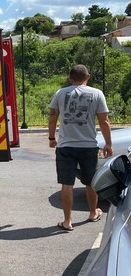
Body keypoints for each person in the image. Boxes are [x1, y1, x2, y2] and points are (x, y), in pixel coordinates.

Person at [48, 64, 112, 231]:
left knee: (67, 184)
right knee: (91, 182)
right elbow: (104, 121)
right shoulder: (97, 93)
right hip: (88, 146)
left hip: (66, 146)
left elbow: (53, 116)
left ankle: (67, 221)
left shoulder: (60, 93)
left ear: (70, 78)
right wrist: (108, 143)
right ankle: (92, 213)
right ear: (88, 76)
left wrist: (51, 138)